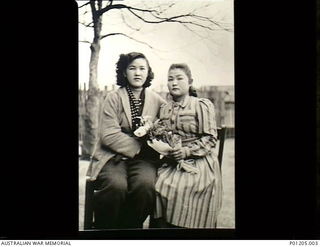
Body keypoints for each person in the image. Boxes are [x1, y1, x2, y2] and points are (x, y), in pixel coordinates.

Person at [86, 52, 166, 229]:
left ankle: (129, 229)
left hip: (144, 159)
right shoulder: (113, 98)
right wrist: (139, 148)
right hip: (112, 155)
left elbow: (167, 124)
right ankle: (105, 230)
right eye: (132, 68)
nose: (137, 73)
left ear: (148, 73)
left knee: (145, 186)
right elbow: (108, 135)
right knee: (116, 186)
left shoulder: (158, 100)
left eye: (142, 69)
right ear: (124, 72)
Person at [151, 63, 223, 228]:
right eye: (170, 79)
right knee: (157, 183)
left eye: (179, 78)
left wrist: (186, 151)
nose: (174, 83)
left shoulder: (201, 105)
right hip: (173, 161)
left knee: (181, 188)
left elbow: (211, 138)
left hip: (200, 161)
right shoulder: (165, 109)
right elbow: (163, 135)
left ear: (190, 82)